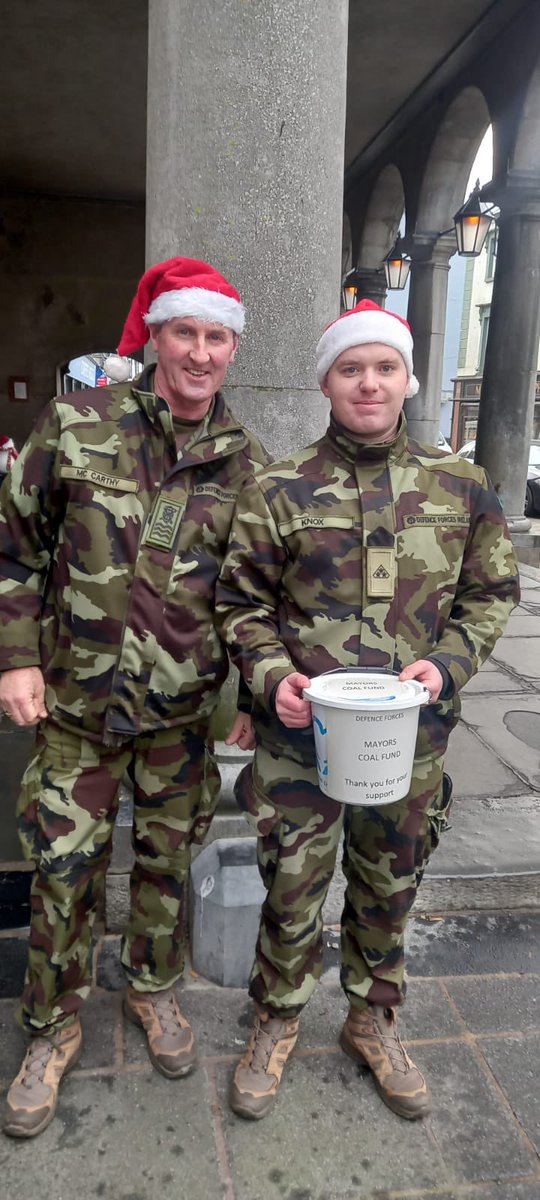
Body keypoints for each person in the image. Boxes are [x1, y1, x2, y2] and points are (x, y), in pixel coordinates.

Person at [215, 299, 520, 1122]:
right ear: (327, 382)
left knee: (389, 883)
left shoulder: (461, 486)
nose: (369, 382)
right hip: (297, 740)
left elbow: (491, 592)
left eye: (384, 367)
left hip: (409, 740)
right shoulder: (277, 489)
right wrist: (270, 672)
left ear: (407, 379)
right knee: (292, 885)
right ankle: (276, 1018)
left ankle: (371, 1018)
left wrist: (449, 664)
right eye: (351, 368)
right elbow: (240, 602)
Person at [0, 256, 269, 1138]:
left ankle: (154, 992)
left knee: (163, 866)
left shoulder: (246, 465)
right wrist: (14, 656)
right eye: (184, 333)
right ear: (156, 338)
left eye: (216, 338)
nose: (199, 353)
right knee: (63, 872)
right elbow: (14, 546)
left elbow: (254, 593)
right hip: (74, 712)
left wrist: (248, 694)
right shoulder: (77, 424)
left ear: (233, 348)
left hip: (180, 723)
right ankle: (51, 1023)